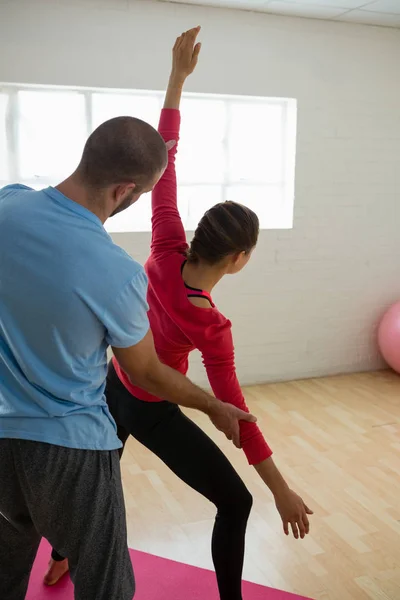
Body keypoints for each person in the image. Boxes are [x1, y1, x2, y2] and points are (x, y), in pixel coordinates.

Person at [45, 27, 314, 600]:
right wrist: (279, 491)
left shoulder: (166, 241)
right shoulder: (213, 329)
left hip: (110, 381)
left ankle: (62, 554)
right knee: (235, 501)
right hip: (149, 403)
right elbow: (237, 415)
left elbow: (164, 158)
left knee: (96, 479)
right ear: (239, 260)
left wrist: (177, 78)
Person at [0, 53, 256, 600]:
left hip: (0, 438)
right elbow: (146, 371)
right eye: (136, 194)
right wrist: (213, 406)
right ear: (123, 191)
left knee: (5, 571)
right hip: (67, 446)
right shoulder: (115, 271)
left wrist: (177, 80)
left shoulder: (8, 204)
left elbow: (166, 177)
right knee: (108, 586)